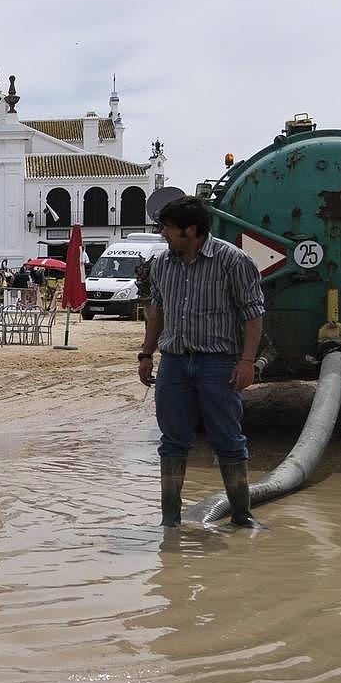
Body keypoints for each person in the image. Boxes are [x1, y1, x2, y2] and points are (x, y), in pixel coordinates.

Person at [138, 194, 266, 530]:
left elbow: (253, 315)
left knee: (227, 440)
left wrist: (247, 361)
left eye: (168, 228)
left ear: (191, 230)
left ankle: (241, 515)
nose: (163, 234)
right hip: (175, 364)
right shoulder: (163, 264)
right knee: (172, 441)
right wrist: (146, 354)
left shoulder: (233, 261)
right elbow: (158, 312)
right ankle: (170, 521)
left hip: (218, 364)